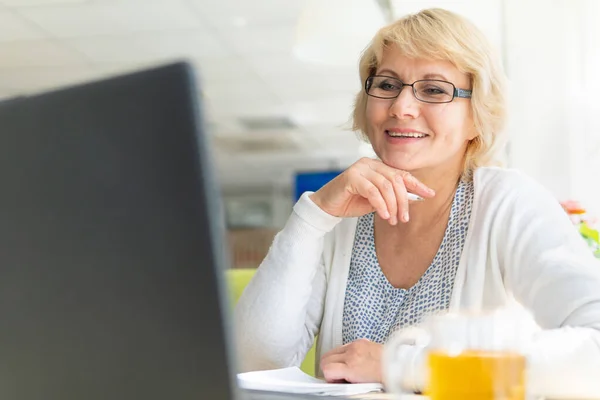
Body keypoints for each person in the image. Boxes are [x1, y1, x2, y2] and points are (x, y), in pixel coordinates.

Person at [235, 8, 600, 398]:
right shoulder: (343, 214)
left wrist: (400, 366)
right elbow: (253, 366)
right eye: (388, 85)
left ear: (478, 116)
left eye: (434, 90)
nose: (400, 107)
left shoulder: (507, 203)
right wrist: (313, 216)